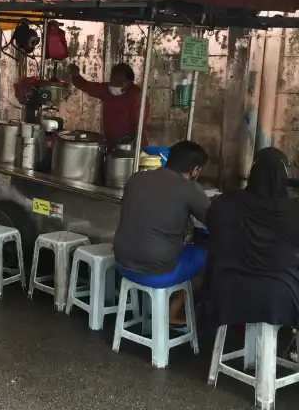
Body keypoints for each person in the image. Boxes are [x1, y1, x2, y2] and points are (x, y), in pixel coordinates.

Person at [113, 140, 210, 324]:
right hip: (157, 272)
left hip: (123, 263)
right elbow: (214, 221)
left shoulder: (137, 178)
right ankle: (173, 311)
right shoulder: (190, 189)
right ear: (195, 170)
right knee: (206, 253)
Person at [207, 147, 299, 327]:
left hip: (227, 289)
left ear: (253, 172)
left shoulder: (225, 202)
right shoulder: (292, 211)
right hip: (281, 294)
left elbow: (212, 227)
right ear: (282, 177)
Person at [67, 62, 149, 147]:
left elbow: (140, 126)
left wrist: (136, 147)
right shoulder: (107, 90)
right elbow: (86, 86)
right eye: (112, 80)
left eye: (119, 82)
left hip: (130, 145)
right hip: (109, 142)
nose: (114, 84)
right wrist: (76, 75)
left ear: (128, 83)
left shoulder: (138, 97)